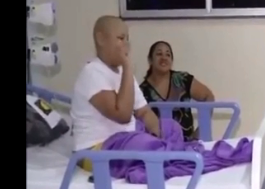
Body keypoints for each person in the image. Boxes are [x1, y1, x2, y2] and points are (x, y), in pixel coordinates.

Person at [70, 16, 161, 172]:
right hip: (95, 149)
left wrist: (157, 134)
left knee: (171, 128)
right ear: (101, 39)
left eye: (127, 39)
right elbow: (123, 115)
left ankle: (161, 151)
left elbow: (144, 111)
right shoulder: (92, 72)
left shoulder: (124, 73)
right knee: (141, 144)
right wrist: (128, 66)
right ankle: (162, 153)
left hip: (125, 140)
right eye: (121, 38)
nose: (126, 44)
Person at [139, 41, 216, 141]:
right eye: (159, 54)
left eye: (168, 54)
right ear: (150, 60)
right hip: (157, 147)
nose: (164, 58)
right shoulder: (141, 91)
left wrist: (201, 129)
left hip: (188, 145)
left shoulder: (182, 79)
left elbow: (208, 97)